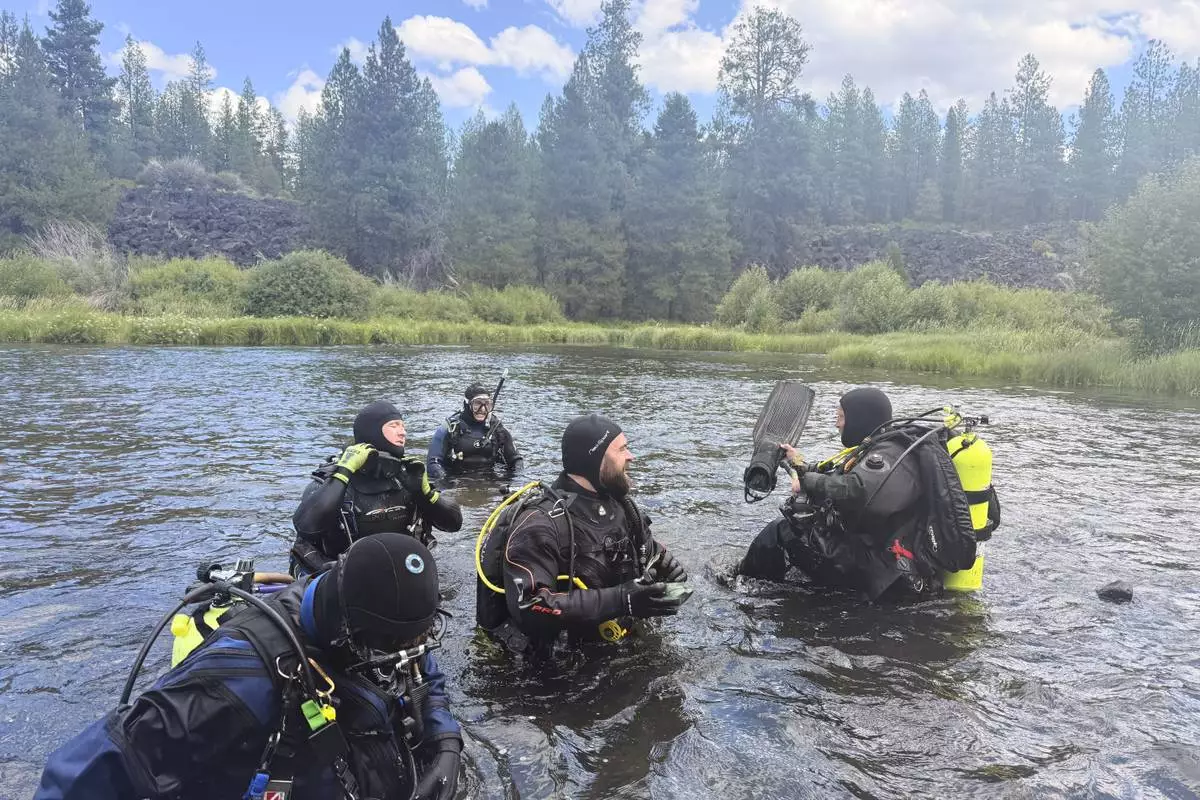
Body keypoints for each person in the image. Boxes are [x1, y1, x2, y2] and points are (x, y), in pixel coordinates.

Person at [35, 533, 464, 800]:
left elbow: (424, 674)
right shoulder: (240, 675)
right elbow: (104, 761)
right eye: (396, 643)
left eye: (419, 638)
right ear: (349, 628)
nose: (410, 651)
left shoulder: (382, 628)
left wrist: (445, 742)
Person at [737, 387, 988, 600]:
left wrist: (807, 482)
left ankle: (741, 584)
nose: (837, 423)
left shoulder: (890, 455)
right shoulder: (880, 446)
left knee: (782, 531)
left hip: (886, 576)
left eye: (841, 417)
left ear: (860, 419)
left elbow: (859, 490)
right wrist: (798, 463)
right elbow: (837, 474)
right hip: (883, 563)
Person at [476, 413, 689, 657]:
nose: (631, 456)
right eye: (622, 449)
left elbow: (644, 549)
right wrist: (622, 600)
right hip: (558, 665)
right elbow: (530, 607)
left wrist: (664, 564)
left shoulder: (622, 507)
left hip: (616, 643)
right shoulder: (539, 525)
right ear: (594, 459)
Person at [291, 400, 462, 576]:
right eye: (394, 425)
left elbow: (454, 524)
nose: (403, 432)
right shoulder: (332, 482)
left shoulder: (408, 477)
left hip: (403, 573)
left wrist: (426, 494)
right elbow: (306, 528)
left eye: (403, 426)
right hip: (343, 579)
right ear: (372, 432)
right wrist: (343, 472)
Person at [427, 382, 523, 480]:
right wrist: (445, 482)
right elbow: (433, 462)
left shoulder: (497, 428)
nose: (483, 409)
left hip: (490, 481)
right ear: (467, 404)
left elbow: (516, 460)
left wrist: (515, 481)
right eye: (477, 404)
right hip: (457, 481)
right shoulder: (451, 428)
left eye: (487, 404)